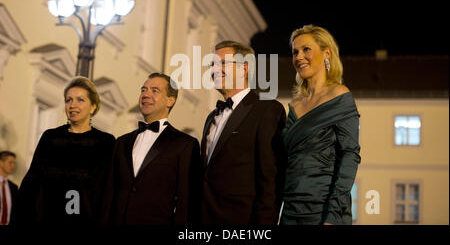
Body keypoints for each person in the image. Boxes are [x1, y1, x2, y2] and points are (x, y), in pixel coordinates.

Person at [280, 25, 361, 225]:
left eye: (306, 49)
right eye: (295, 52)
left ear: (326, 53)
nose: (299, 56)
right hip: (290, 211)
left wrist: (333, 215)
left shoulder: (339, 95)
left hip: (323, 212)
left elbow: (350, 156)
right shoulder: (294, 105)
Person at [200, 41, 286, 225]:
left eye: (222, 63)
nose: (215, 69)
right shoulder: (211, 117)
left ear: (244, 68)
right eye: (213, 64)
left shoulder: (268, 109)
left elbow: (270, 178)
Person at [104, 73, 201, 225]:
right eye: (143, 90)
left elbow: (186, 202)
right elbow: (109, 194)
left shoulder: (185, 145)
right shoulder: (121, 142)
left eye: (154, 91)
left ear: (170, 100)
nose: (146, 95)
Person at [15, 76, 115, 225]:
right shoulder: (50, 137)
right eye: (69, 100)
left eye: (80, 100)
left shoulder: (105, 142)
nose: (72, 105)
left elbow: (109, 189)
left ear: (93, 106)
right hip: (47, 219)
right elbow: (32, 181)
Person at [0, 151, 17, 225]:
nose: (13, 166)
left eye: (14, 163)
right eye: (10, 162)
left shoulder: (14, 187)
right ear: (1, 163)